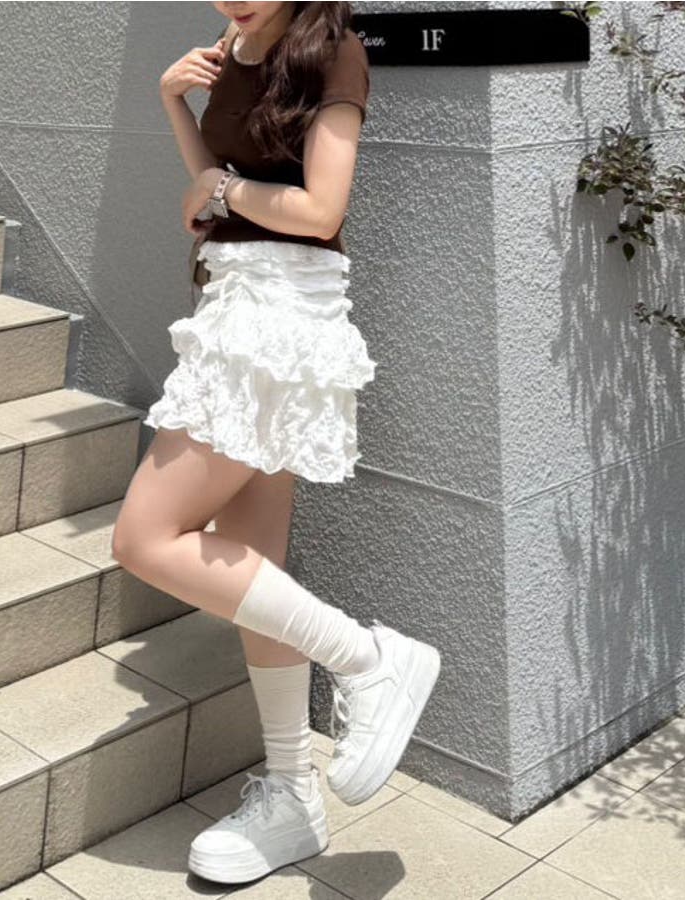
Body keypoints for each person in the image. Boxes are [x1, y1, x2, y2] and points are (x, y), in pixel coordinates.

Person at [111, 0, 441, 883]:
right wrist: (174, 104)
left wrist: (221, 194)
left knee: (144, 537)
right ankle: (293, 792)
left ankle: (368, 660)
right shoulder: (233, 47)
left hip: (280, 314)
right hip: (237, 298)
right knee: (258, 574)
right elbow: (212, 189)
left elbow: (320, 208)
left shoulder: (333, 52)